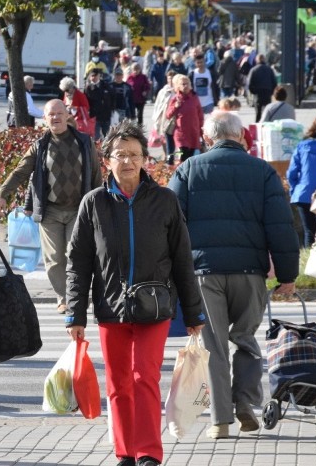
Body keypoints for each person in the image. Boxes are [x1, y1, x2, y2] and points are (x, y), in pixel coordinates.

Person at [66, 120, 206, 466]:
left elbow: (182, 260)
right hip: (110, 308)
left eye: (134, 154)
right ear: (107, 160)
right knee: (117, 384)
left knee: (145, 377)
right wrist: (75, 313)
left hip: (154, 306)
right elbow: (78, 262)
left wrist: (194, 313)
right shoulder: (93, 203)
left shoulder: (165, 201)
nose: (127, 161)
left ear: (146, 159)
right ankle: (125, 451)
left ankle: (148, 452)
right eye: (119, 154)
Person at [167, 110, 299, 439]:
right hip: (250, 273)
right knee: (246, 341)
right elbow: (281, 227)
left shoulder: (187, 170)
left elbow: (170, 225)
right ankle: (245, 404)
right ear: (241, 137)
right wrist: (287, 275)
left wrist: (170, 272)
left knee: (212, 346)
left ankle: (220, 421)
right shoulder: (263, 172)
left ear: (208, 139)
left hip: (204, 273)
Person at [0, 99, 101, 313]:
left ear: (67, 114)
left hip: (77, 210)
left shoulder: (84, 142)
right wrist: (2, 194)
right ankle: (63, 298)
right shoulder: (40, 146)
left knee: (76, 255)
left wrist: (99, 205)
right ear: (45, 119)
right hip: (50, 211)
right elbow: (21, 171)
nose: (56, 117)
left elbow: (96, 175)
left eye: (59, 113)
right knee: (53, 260)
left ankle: (76, 296)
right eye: (51, 114)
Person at [287, 115, 316, 248]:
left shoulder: (302, 146)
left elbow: (291, 173)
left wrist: (294, 191)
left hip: (303, 194)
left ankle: (308, 264)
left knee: (309, 231)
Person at [164, 73, 204, 163]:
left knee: (191, 158)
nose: (185, 86)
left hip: (193, 132)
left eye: (187, 84)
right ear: (178, 86)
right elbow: (168, 115)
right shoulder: (175, 98)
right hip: (181, 134)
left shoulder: (194, 97)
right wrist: (175, 106)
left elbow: (200, 115)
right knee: (182, 157)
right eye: (183, 84)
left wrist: (201, 130)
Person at [84, 69, 114, 140]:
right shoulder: (88, 89)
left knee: (108, 137)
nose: (94, 78)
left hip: (106, 116)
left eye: (95, 76)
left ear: (99, 76)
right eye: (92, 76)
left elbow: (113, 97)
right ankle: (97, 151)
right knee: (96, 138)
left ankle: (107, 151)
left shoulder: (106, 86)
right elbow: (86, 103)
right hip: (94, 117)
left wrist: (112, 109)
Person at [247, 54, 278, 122]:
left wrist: (253, 91)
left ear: (257, 60)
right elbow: (274, 82)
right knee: (267, 110)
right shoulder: (269, 69)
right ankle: (266, 123)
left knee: (258, 112)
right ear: (264, 60)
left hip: (258, 93)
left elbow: (249, 83)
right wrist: (272, 92)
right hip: (267, 92)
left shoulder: (254, 70)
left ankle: (258, 124)